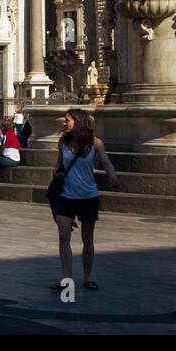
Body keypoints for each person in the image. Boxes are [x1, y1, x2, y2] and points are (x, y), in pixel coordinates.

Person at [50, 108, 119, 293]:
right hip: (65, 196)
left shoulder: (95, 143)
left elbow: (105, 162)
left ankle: (88, 277)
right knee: (64, 237)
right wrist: (56, 172)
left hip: (88, 196)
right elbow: (57, 164)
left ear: (78, 122)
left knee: (87, 240)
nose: (64, 123)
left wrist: (112, 175)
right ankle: (67, 279)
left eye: (67, 120)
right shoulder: (63, 142)